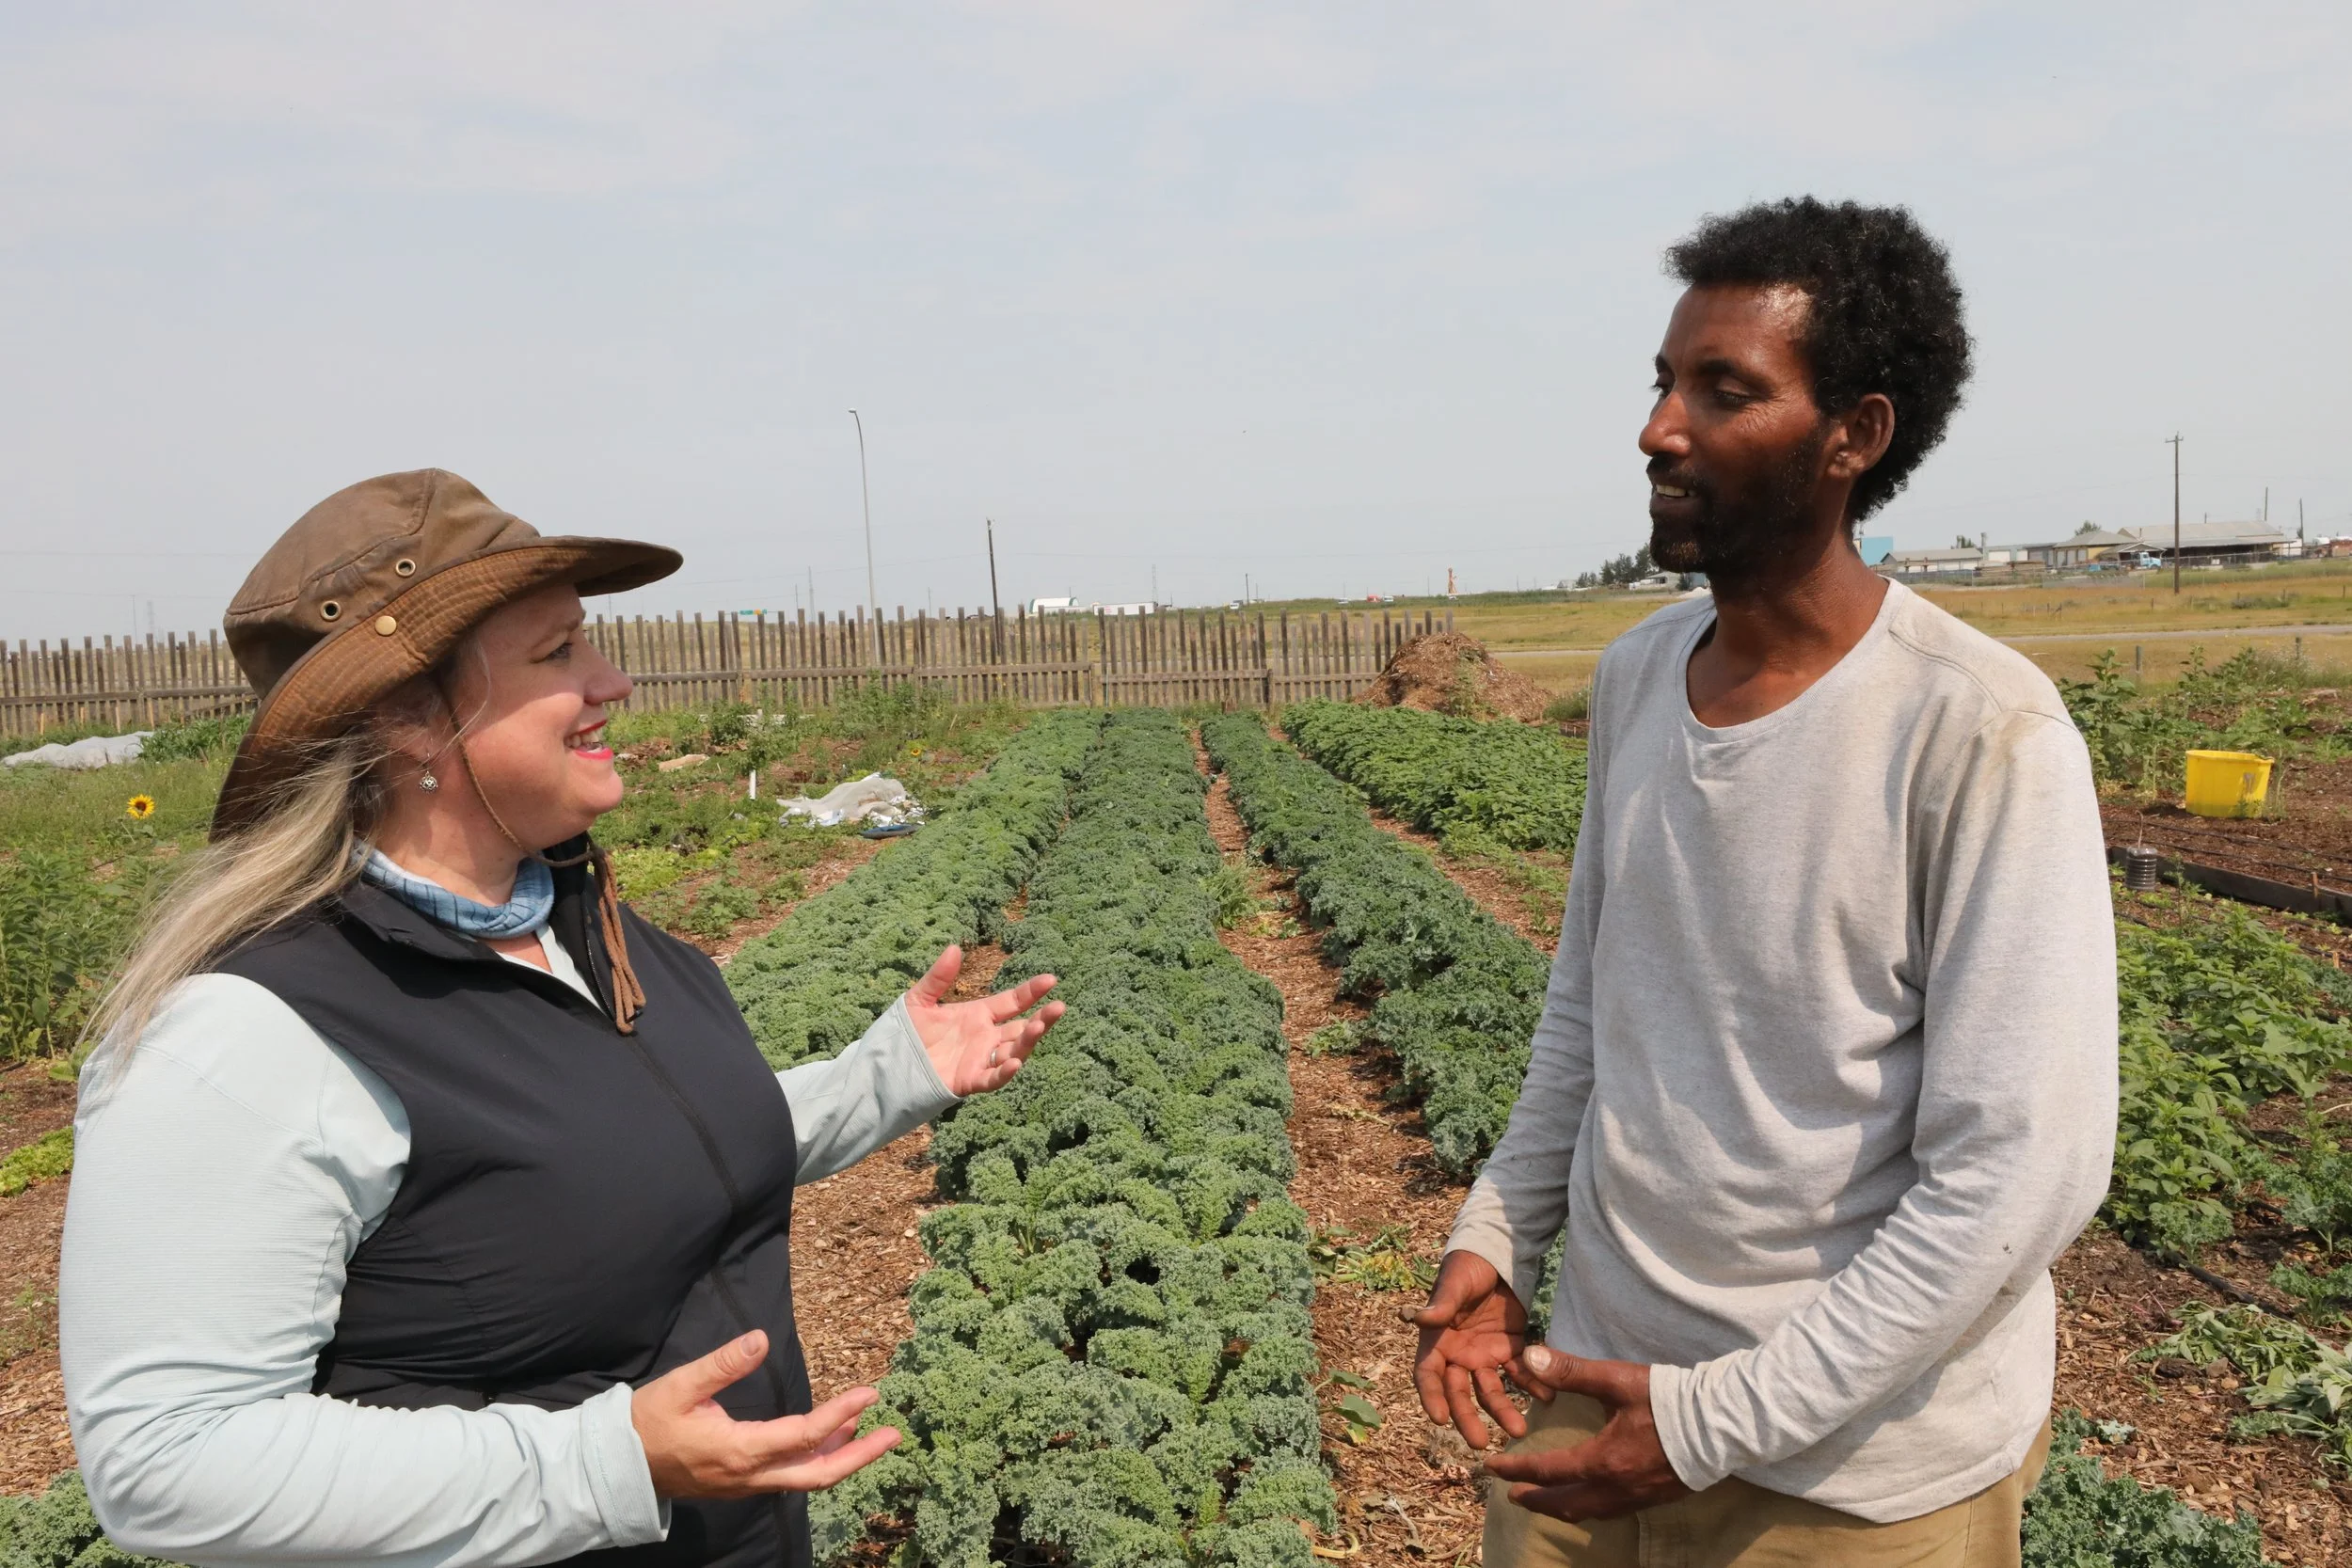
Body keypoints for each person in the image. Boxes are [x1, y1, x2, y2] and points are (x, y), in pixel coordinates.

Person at [59, 469, 1065, 1568]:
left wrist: (888, 1073)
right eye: (557, 655)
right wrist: (601, 1464)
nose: (614, 681)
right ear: (405, 717)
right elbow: (167, 1460)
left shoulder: (589, 923)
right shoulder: (244, 1031)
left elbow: (630, 1156)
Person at [1413, 199, 2117, 1567]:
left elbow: (2018, 1175)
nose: (1659, 427)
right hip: (1599, 1391)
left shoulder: (1980, 731)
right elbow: (1588, 1011)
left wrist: (1715, 1418)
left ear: (1853, 434)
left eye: (1724, 390)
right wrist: (1498, 1235)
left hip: (1848, 1476)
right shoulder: (1634, 678)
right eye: (1664, 381)